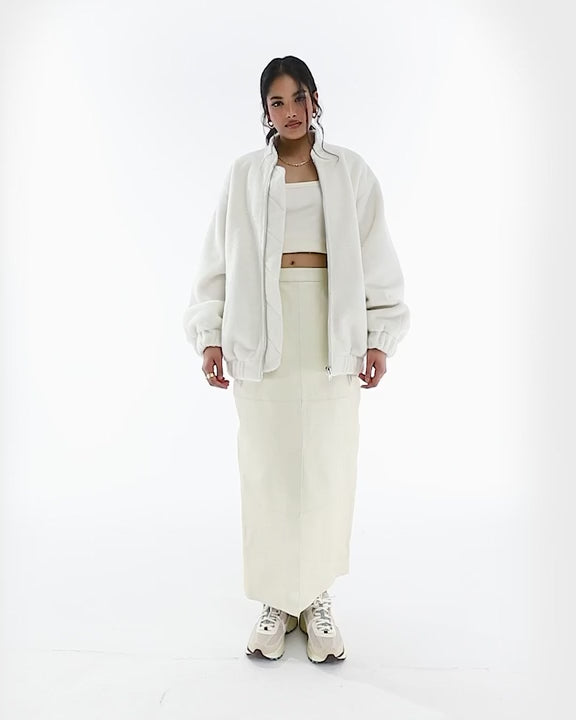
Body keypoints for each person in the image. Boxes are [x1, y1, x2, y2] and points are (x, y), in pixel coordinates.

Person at [183, 56, 410, 663]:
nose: (290, 111)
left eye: (298, 98)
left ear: (315, 100)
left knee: (327, 466)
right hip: (259, 325)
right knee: (268, 467)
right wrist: (210, 333)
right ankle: (276, 600)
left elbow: (377, 254)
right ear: (265, 111)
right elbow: (217, 259)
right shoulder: (244, 175)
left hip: (331, 324)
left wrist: (378, 336)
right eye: (277, 102)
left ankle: (316, 597)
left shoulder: (350, 172)